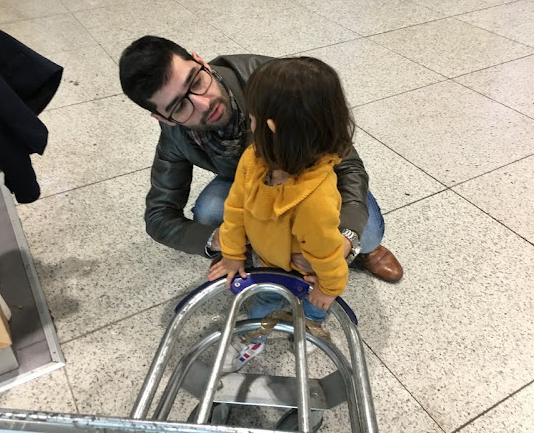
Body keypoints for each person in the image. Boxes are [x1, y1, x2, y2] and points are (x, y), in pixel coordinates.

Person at [118, 36, 403, 282]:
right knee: (209, 211)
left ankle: (366, 252)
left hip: (315, 178)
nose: (204, 104)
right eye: (180, 106)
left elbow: (347, 163)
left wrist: (346, 237)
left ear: (200, 61)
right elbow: (158, 216)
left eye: (196, 81)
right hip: (253, 182)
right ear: (162, 118)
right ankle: (266, 252)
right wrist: (225, 240)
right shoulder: (175, 135)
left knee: (368, 233)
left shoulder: (274, 82)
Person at [207, 57, 353, 370]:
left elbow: (327, 252)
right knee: (266, 299)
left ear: (271, 127)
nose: (250, 125)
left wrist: (329, 288)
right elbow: (235, 208)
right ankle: (253, 336)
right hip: (267, 261)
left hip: (309, 272)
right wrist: (232, 253)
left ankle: (310, 327)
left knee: (314, 305)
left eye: (253, 118)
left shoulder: (314, 198)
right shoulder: (254, 159)